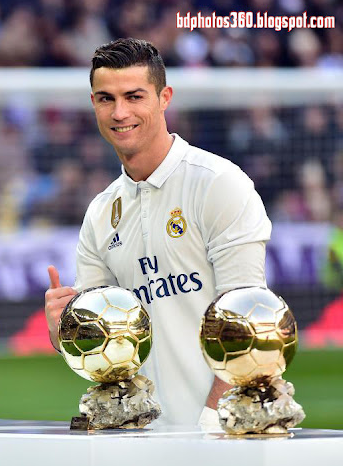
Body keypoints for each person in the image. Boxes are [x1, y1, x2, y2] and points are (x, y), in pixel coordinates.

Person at [44, 38, 271, 426]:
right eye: (105, 99)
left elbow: (249, 323)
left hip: (222, 435)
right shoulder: (100, 213)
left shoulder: (217, 183)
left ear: (164, 97)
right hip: (138, 440)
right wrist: (61, 332)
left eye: (134, 97)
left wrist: (211, 425)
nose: (120, 113)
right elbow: (104, 350)